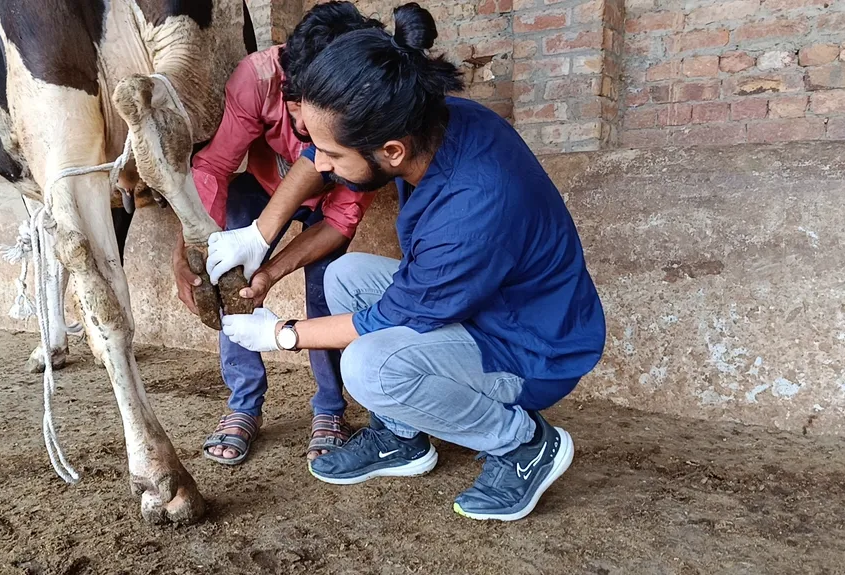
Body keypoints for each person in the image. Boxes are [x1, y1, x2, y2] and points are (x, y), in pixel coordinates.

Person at [218, 3, 606, 521]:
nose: (322, 165)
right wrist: (258, 235)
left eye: (333, 156)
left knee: (369, 367)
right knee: (346, 275)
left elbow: (386, 319)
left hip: (529, 347)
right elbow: (322, 156)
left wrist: (282, 334)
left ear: (391, 151)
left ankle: (522, 444)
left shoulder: (472, 207)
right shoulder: (427, 121)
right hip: (489, 304)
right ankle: (401, 437)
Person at [177, 2, 381, 466]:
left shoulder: (368, 105)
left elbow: (342, 219)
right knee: (228, 270)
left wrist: (271, 271)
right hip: (264, 188)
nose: (303, 127)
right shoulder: (258, 77)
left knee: (329, 281)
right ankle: (243, 404)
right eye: (295, 110)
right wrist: (190, 248)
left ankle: (330, 408)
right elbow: (214, 164)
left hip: (329, 202)